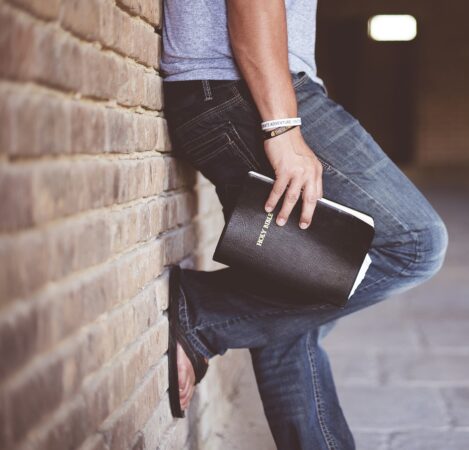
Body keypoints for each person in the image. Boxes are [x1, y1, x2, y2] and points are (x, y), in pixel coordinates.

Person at [159, 0, 448, 448]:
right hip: (241, 92)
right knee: (413, 245)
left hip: (232, 90)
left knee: (289, 310)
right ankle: (203, 312)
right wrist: (282, 127)